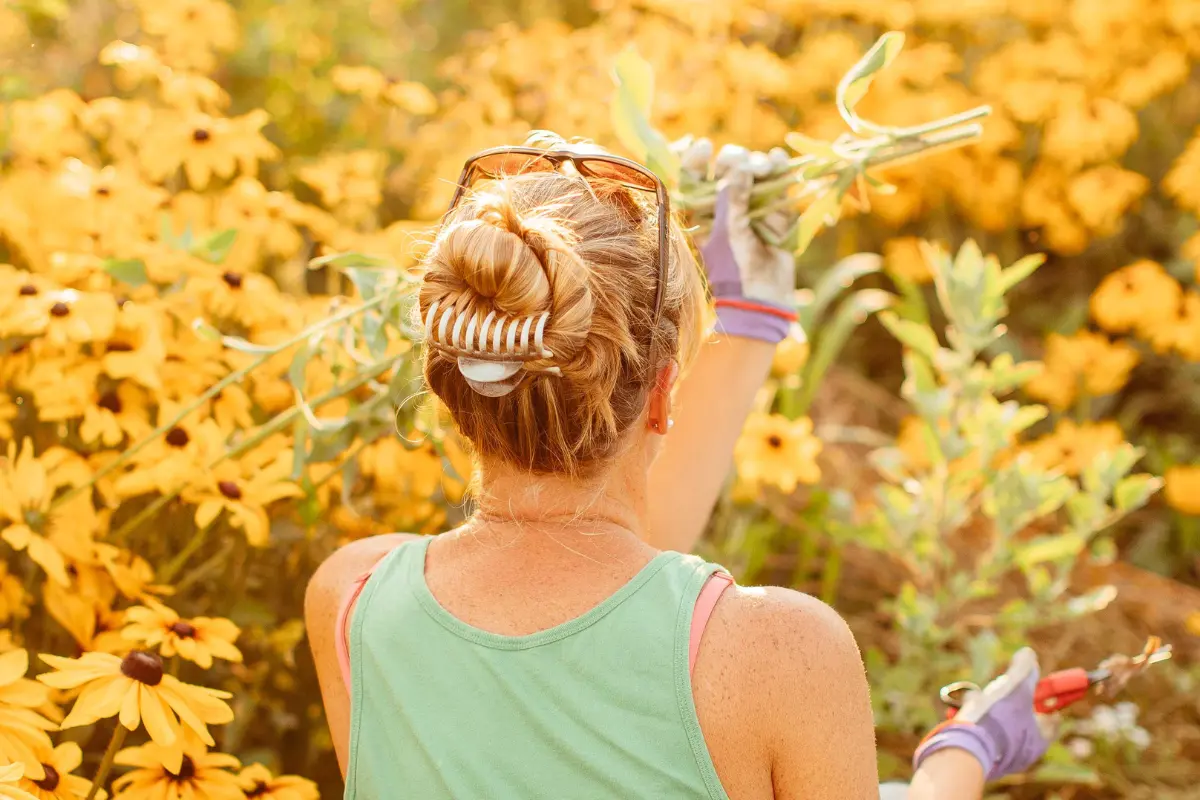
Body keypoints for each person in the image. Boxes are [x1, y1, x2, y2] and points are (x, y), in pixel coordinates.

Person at [306, 133, 1051, 799]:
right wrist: (963, 752)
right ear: (664, 395)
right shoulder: (780, 653)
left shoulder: (353, 601)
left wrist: (748, 328)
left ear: (448, 388)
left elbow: (611, 601)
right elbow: (633, 603)